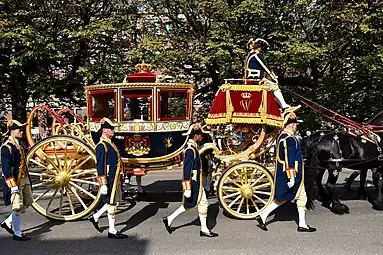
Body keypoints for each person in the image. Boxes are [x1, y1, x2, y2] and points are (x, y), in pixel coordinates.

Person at [255, 111, 316, 232]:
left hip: (286, 172)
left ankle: (263, 217)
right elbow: (290, 159)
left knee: (290, 198)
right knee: (291, 198)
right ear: (291, 125)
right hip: (292, 173)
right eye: (295, 124)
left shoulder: (282, 137)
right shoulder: (290, 139)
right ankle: (301, 224)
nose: (296, 126)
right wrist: (292, 177)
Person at [162, 124, 218, 237]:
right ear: (196, 136)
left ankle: (170, 219)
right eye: (200, 135)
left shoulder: (193, 148)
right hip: (194, 181)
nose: (202, 137)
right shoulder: (190, 150)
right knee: (198, 203)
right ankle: (204, 229)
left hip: (196, 180)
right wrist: (187, 188)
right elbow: (187, 170)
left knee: (195, 203)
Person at [88, 118, 127, 239]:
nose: (113, 131)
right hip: (109, 178)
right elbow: (100, 166)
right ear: (105, 131)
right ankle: (112, 230)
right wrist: (103, 183)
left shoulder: (110, 143)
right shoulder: (101, 146)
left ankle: (95, 217)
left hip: (115, 177)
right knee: (112, 203)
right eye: (111, 129)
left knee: (113, 202)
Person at [0, 120, 32, 241]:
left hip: (24, 178)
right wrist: (12, 186)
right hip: (15, 181)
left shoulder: (19, 145)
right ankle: (17, 233)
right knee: (17, 207)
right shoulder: (6, 148)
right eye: (19, 130)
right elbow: (6, 169)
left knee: (28, 201)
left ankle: (7, 222)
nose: (22, 132)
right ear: (13, 132)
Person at [244, 38, 290, 110]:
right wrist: (274, 78)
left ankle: (281, 106)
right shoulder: (256, 55)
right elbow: (266, 67)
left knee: (271, 87)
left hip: (249, 79)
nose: (262, 49)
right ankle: (284, 106)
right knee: (274, 87)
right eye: (261, 47)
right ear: (259, 47)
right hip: (256, 79)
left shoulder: (249, 56)